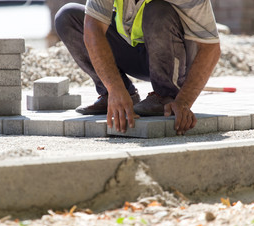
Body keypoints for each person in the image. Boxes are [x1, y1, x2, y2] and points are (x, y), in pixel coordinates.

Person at [55, 0, 221, 135]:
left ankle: (165, 95)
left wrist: (184, 101)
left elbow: (211, 49)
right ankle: (120, 96)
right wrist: (115, 88)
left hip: (175, 56)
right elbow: (94, 29)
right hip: (136, 53)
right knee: (68, 16)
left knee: (157, 9)